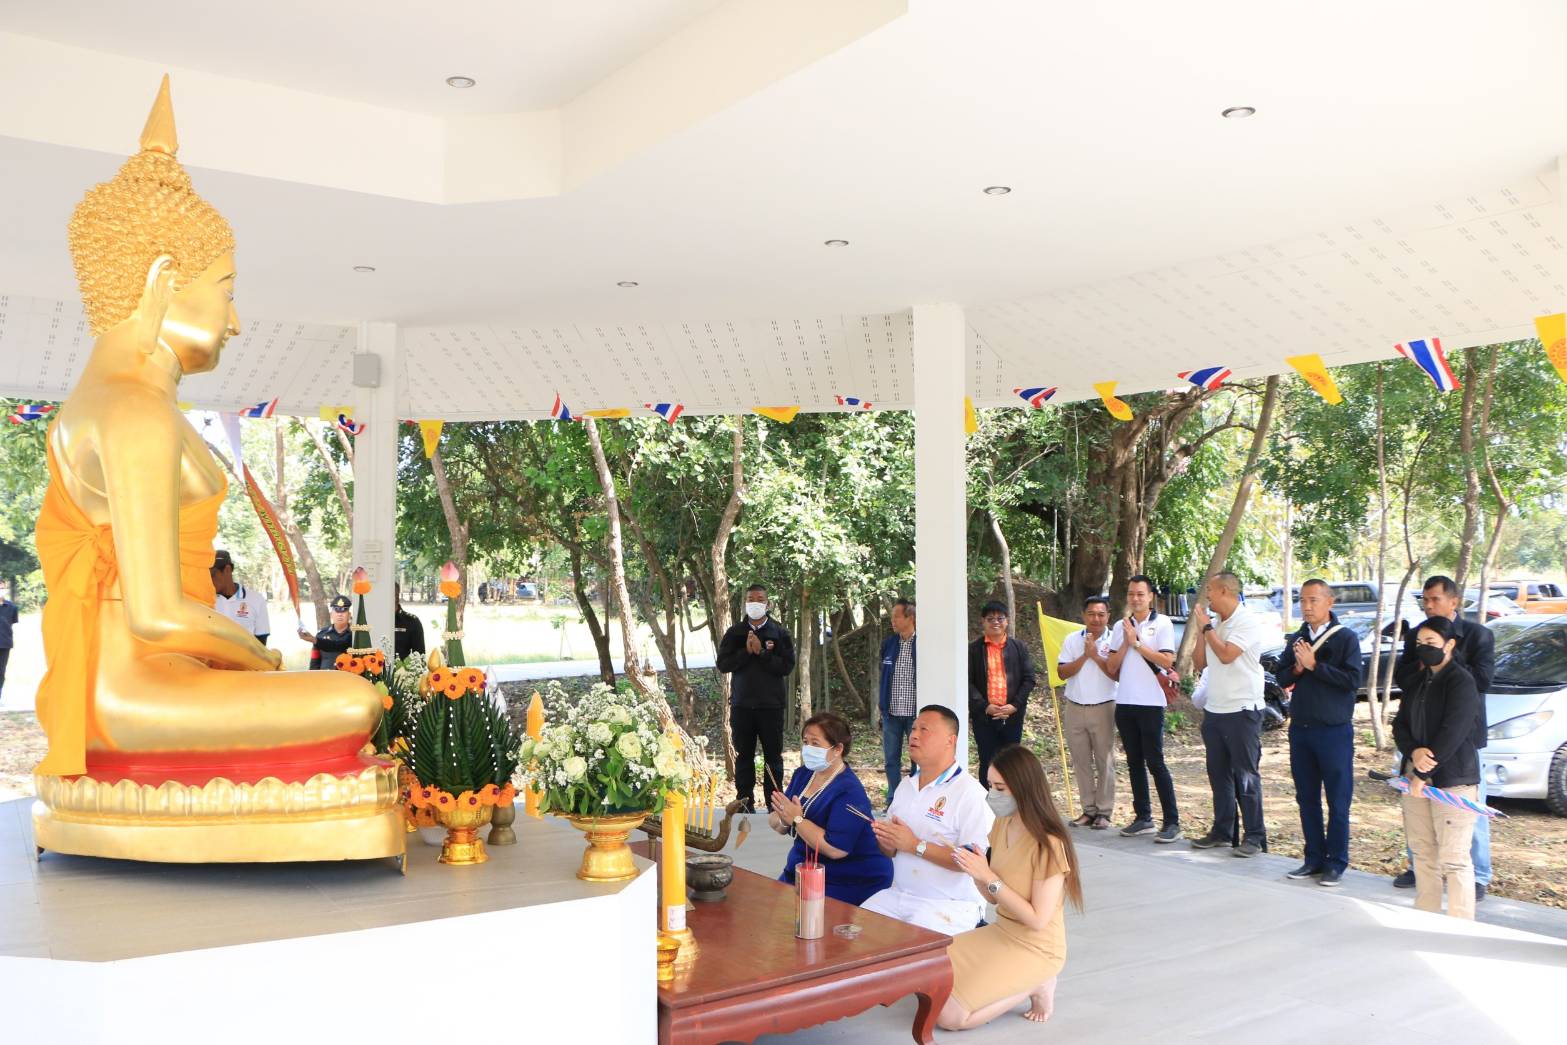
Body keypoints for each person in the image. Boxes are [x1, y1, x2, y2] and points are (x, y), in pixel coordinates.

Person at [941, 744, 1083, 1031]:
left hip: (1037, 947)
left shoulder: (1049, 845)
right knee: (928, 971)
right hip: (1002, 931)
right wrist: (975, 872)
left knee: (950, 1017)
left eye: (1000, 788)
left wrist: (988, 876)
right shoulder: (1002, 824)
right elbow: (993, 899)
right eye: (990, 785)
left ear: (1024, 789)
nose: (992, 794)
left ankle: (1038, 984)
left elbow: (1037, 919)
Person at [1391, 575, 1493, 900]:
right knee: (1419, 817)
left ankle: (1478, 875)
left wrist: (1445, 655)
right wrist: (1426, 658)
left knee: (1465, 814)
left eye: (1435, 599)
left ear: (1454, 601)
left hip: (1460, 742)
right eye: (1425, 600)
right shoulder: (1416, 636)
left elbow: (1482, 680)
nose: (1429, 605)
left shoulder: (1477, 635)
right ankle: (1419, 868)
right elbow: (1404, 677)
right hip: (1418, 738)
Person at [864, 705, 996, 935]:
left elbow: (973, 862)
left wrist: (914, 845)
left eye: (924, 730)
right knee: (855, 931)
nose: (914, 735)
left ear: (950, 741)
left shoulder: (970, 793)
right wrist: (887, 840)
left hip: (949, 905)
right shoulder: (906, 786)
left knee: (912, 945)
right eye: (914, 728)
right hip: (899, 895)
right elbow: (891, 851)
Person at [1273, 579, 1363, 886]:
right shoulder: (1297, 638)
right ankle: (1313, 858)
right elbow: (1281, 677)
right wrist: (1297, 669)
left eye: (1313, 600)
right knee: (1306, 798)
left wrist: (1314, 666)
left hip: (1334, 732)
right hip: (1301, 730)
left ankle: (1336, 862)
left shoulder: (1346, 638)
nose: (1307, 606)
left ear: (1330, 602)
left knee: (1338, 800)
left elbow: (1352, 681)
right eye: (1303, 600)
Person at [768, 712, 893, 906]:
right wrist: (785, 819)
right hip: (803, 869)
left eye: (815, 743)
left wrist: (797, 820)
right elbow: (775, 819)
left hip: (848, 878)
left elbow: (836, 849)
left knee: (797, 916)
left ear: (838, 749)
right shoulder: (803, 774)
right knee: (768, 907)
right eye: (805, 742)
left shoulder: (849, 791)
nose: (808, 749)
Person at [1189, 571, 1269, 856]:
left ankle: (1254, 836)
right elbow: (1200, 663)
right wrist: (1203, 631)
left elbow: (1226, 655)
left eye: (1210, 590)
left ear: (1224, 591)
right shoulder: (1215, 624)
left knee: (1245, 776)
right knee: (1218, 774)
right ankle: (1223, 832)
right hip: (1215, 710)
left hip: (1242, 710)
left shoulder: (1246, 621)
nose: (1207, 596)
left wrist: (1207, 628)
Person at [1105, 575, 1181, 841]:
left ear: (1150, 597)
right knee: (1134, 762)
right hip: (1125, 701)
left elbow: (1167, 660)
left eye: (1140, 594)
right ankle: (1143, 817)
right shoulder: (1120, 626)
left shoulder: (1163, 623)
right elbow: (1111, 667)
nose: (1135, 598)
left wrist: (1138, 643)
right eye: (1131, 594)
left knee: (1155, 762)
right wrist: (1127, 642)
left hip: (1151, 703)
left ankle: (1172, 822)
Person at [715, 583, 796, 811]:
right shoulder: (735, 633)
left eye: (760, 599)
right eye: (751, 599)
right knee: (744, 757)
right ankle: (744, 803)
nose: (755, 604)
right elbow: (723, 664)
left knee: (773, 758)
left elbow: (786, 666)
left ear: (767, 604)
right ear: (745, 603)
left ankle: (774, 805)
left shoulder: (779, 633)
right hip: (742, 706)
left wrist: (761, 652)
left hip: (771, 707)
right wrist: (746, 652)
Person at [1056, 595, 1118, 829]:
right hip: (1075, 707)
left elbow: (1115, 673)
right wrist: (1085, 655)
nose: (1096, 619)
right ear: (1083, 615)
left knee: (1105, 761)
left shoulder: (1115, 640)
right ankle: (1088, 810)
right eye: (1091, 614)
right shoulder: (1072, 640)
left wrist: (1096, 655)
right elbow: (1062, 672)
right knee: (1081, 761)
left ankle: (1104, 812)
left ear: (1108, 616)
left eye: (1101, 614)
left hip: (1104, 707)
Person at [966, 602, 1035, 789]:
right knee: (987, 761)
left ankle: (1011, 800)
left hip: (1012, 717)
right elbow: (967, 682)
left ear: (1007, 621)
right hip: (984, 717)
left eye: (1000, 618)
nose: (995, 622)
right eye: (990, 619)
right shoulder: (974, 650)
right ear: (983, 621)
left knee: (1011, 764)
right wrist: (985, 707)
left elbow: (1029, 679)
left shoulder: (1018, 647)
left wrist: (1014, 705)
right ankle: (986, 801)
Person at [878, 598, 918, 805]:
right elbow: (884, 676)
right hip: (891, 713)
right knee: (891, 760)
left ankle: (916, 800)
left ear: (910, 617)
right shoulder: (889, 644)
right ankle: (894, 800)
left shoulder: (922, 643)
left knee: (918, 759)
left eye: (897, 616)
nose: (892, 620)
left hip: (915, 715)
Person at [209, 549, 270, 646]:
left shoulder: (256, 600)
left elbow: (261, 644)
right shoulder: (204, 601)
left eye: (212, 575)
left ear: (227, 569)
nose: (208, 580)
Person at [299, 595, 353, 670]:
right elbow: (314, 664)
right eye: (337, 611)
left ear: (349, 615)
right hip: (325, 676)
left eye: (344, 611)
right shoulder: (321, 635)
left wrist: (314, 640)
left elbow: (339, 645)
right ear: (331, 615)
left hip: (348, 677)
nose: (340, 614)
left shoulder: (355, 635)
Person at [394, 583, 425, 660]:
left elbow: (419, 656)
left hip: (402, 667)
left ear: (397, 596)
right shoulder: (374, 621)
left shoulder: (412, 621)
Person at [0, 583, 17, 699]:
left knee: (1, 672)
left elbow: (12, 622)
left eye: (2, 588)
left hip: (5, 644)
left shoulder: (12, 607)